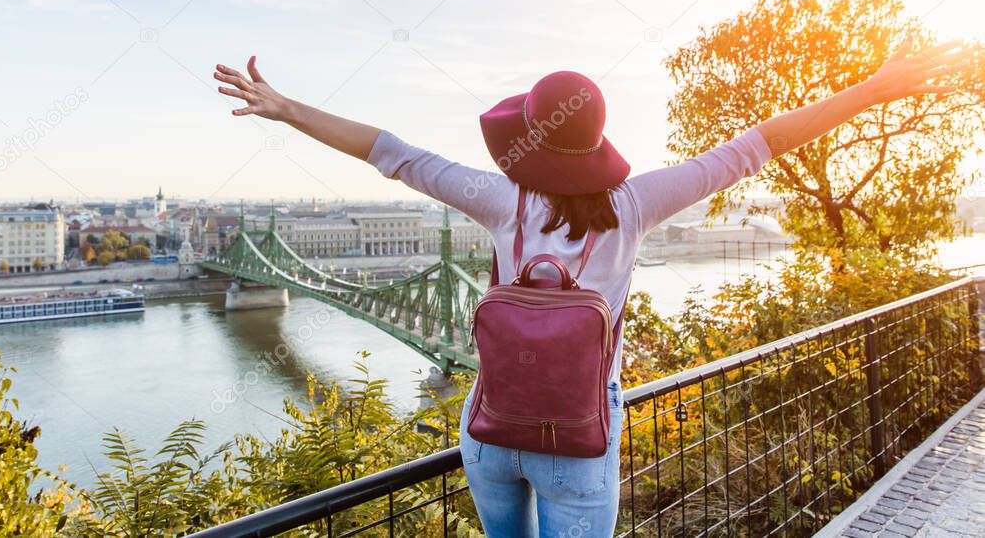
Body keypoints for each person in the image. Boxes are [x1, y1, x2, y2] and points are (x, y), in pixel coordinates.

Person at [213, 39, 968, 536]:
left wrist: (285, 108)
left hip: (488, 427)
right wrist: (872, 87)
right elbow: (758, 145)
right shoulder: (637, 204)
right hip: (579, 434)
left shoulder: (497, 199)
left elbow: (389, 152)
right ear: (597, 146)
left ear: (528, 139)